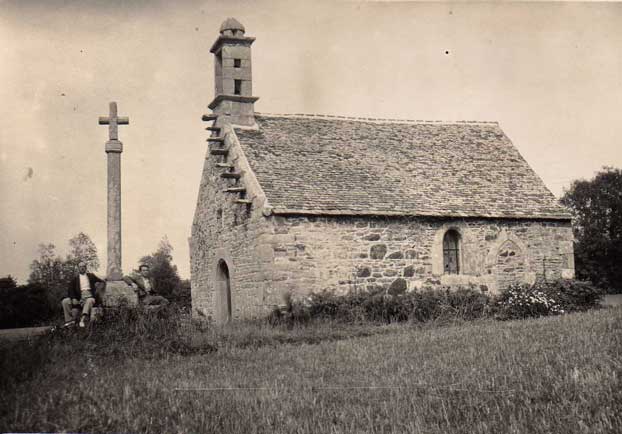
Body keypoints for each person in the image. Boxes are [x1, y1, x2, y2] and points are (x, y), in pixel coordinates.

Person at [61, 261, 105, 328]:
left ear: (86, 268)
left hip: (89, 296)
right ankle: (70, 321)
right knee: (65, 301)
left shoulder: (91, 276)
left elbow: (102, 281)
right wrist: (73, 298)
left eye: (83, 266)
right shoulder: (75, 278)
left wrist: (98, 289)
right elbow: (70, 290)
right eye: (80, 267)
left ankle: (83, 319)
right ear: (78, 268)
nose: (82, 268)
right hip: (79, 297)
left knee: (90, 300)